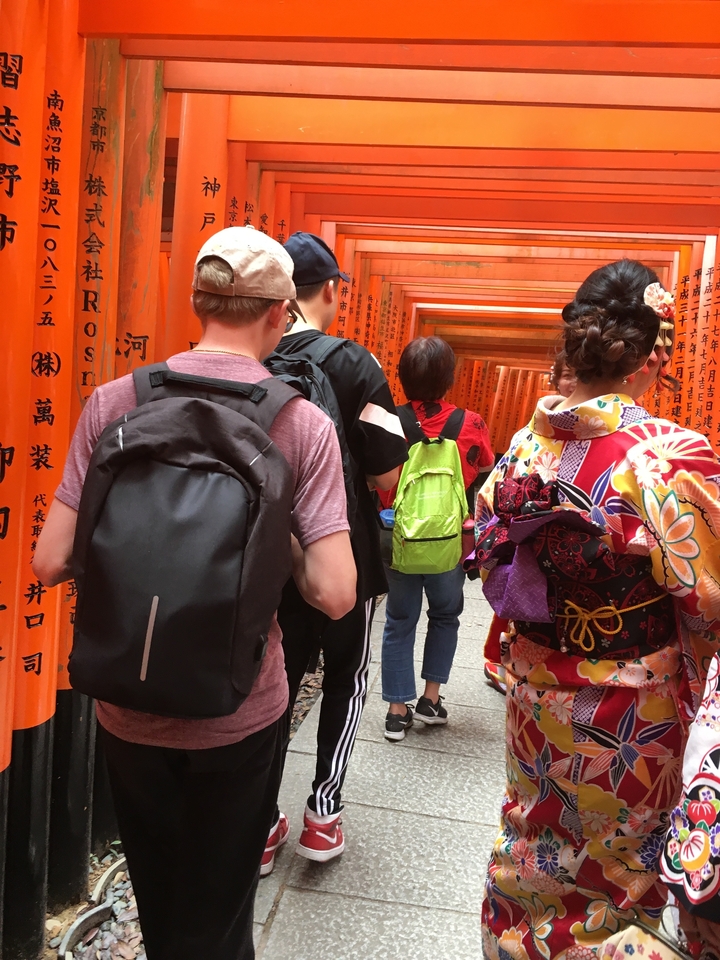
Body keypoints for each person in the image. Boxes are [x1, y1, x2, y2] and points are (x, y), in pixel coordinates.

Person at [32, 226, 357, 960]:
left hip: (126, 704)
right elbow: (336, 593)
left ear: (197, 303)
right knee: (219, 917)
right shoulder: (299, 424)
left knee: (160, 903)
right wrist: (275, 535)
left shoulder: (114, 401)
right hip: (240, 708)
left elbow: (49, 561)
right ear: (278, 314)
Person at [470, 259, 720, 960]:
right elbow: (707, 600)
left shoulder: (526, 444)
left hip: (534, 687)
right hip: (631, 707)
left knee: (537, 836)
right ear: (651, 355)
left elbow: (490, 551)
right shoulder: (668, 455)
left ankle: (516, 941)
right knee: (620, 864)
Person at [262, 231, 408, 869]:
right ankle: (323, 813)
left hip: (267, 555)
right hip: (346, 554)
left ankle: (260, 819)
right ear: (329, 290)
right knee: (347, 679)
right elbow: (386, 474)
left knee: (273, 680)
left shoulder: (254, 355)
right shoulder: (356, 364)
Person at [380, 336, 494, 741]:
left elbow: (376, 479)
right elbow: (485, 470)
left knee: (398, 620)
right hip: (450, 540)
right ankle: (430, 700)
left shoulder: (388, 422)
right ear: (449, 379)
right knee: (445, 616)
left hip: (400, 537)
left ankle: (397, 711)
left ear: (401, 377)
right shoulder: (471, 423)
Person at [483, 352, 576, 697]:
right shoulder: (530, 435)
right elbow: (492, 499)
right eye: (568, 375)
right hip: (530, 550)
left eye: (582, 374)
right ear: (555, 379)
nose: (575, 383)